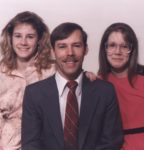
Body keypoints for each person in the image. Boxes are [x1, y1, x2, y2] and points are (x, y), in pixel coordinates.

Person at [21, 22, 123, 150]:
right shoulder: (34, 94)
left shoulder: (105, 91)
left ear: (85, 49)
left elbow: (111, 143)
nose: (70, 52)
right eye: (62, 46)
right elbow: (31, 144)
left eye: (76, 45)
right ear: (53, 52)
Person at [0, 11, 56, 150]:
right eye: (18, 36)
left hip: (44, 144)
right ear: (10, 38)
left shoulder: (53, 70)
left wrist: (87, 76)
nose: (23, 42)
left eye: (30, 37)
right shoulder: (1, 72)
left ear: (39, 39)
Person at [98, 22, 144, 150]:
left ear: (132, 50)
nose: (117, 52)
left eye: (124, 46)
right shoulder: (98, 82)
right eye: (112, 45)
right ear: (104, 49)